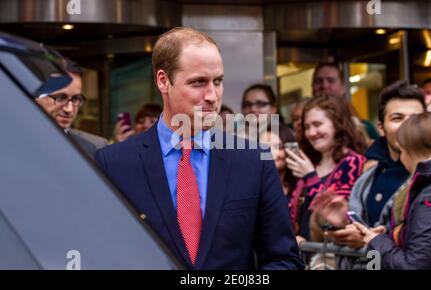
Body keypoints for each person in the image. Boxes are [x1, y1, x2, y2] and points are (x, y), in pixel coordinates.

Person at [95, 27, 303, 270]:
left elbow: (284, 260)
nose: (212, 95)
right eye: (198, 83)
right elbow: (101, 255)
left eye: (218, 81)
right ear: (163, 81)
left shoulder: (253, 160)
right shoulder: (114, 163)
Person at [325, 80, 426, 250]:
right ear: (381, 127)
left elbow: (427, 246)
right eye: (397, 118)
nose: (407, 126)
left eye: (416, 119)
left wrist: (368, 241)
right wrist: (341, 225)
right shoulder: (367, 179)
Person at [355, 112, 431, 270]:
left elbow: (415, 265)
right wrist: (393, 234)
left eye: (402, 151)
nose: (401, 158)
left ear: (414, 152)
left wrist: (377, 241)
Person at [285, 95, 367, 244]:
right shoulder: (310, 162)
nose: (311, 133)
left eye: (317, 124)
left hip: (332, 255)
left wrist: (311, 177)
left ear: (337, 123)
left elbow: (338, 215)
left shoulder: (352, 162)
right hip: (303, 253)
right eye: (307, 127)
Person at [35, 58, 105, 157]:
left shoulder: (95, 149)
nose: (69, 109)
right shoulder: (11, 142)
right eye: (60, 97)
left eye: (76, 99)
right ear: (36, 97)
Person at [259, 125, 298, 197]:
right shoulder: (249, 187)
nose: (271, 152)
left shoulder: (301, 186)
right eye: (264, 147)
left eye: (279, 147)